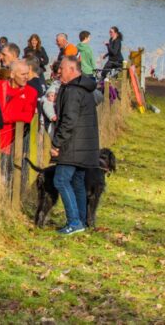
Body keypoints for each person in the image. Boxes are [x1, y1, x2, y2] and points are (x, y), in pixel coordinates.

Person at [52, 57, 100, 235]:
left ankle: (74, 221)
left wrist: (57, 142)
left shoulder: (73, 90)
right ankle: (81, 220)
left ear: (72, 69)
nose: (59, 72)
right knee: (77, 181)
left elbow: (69, 121)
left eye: (62, 69)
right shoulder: (84, 88)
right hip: (85, 144)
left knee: (61, 180)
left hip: (73, 145)